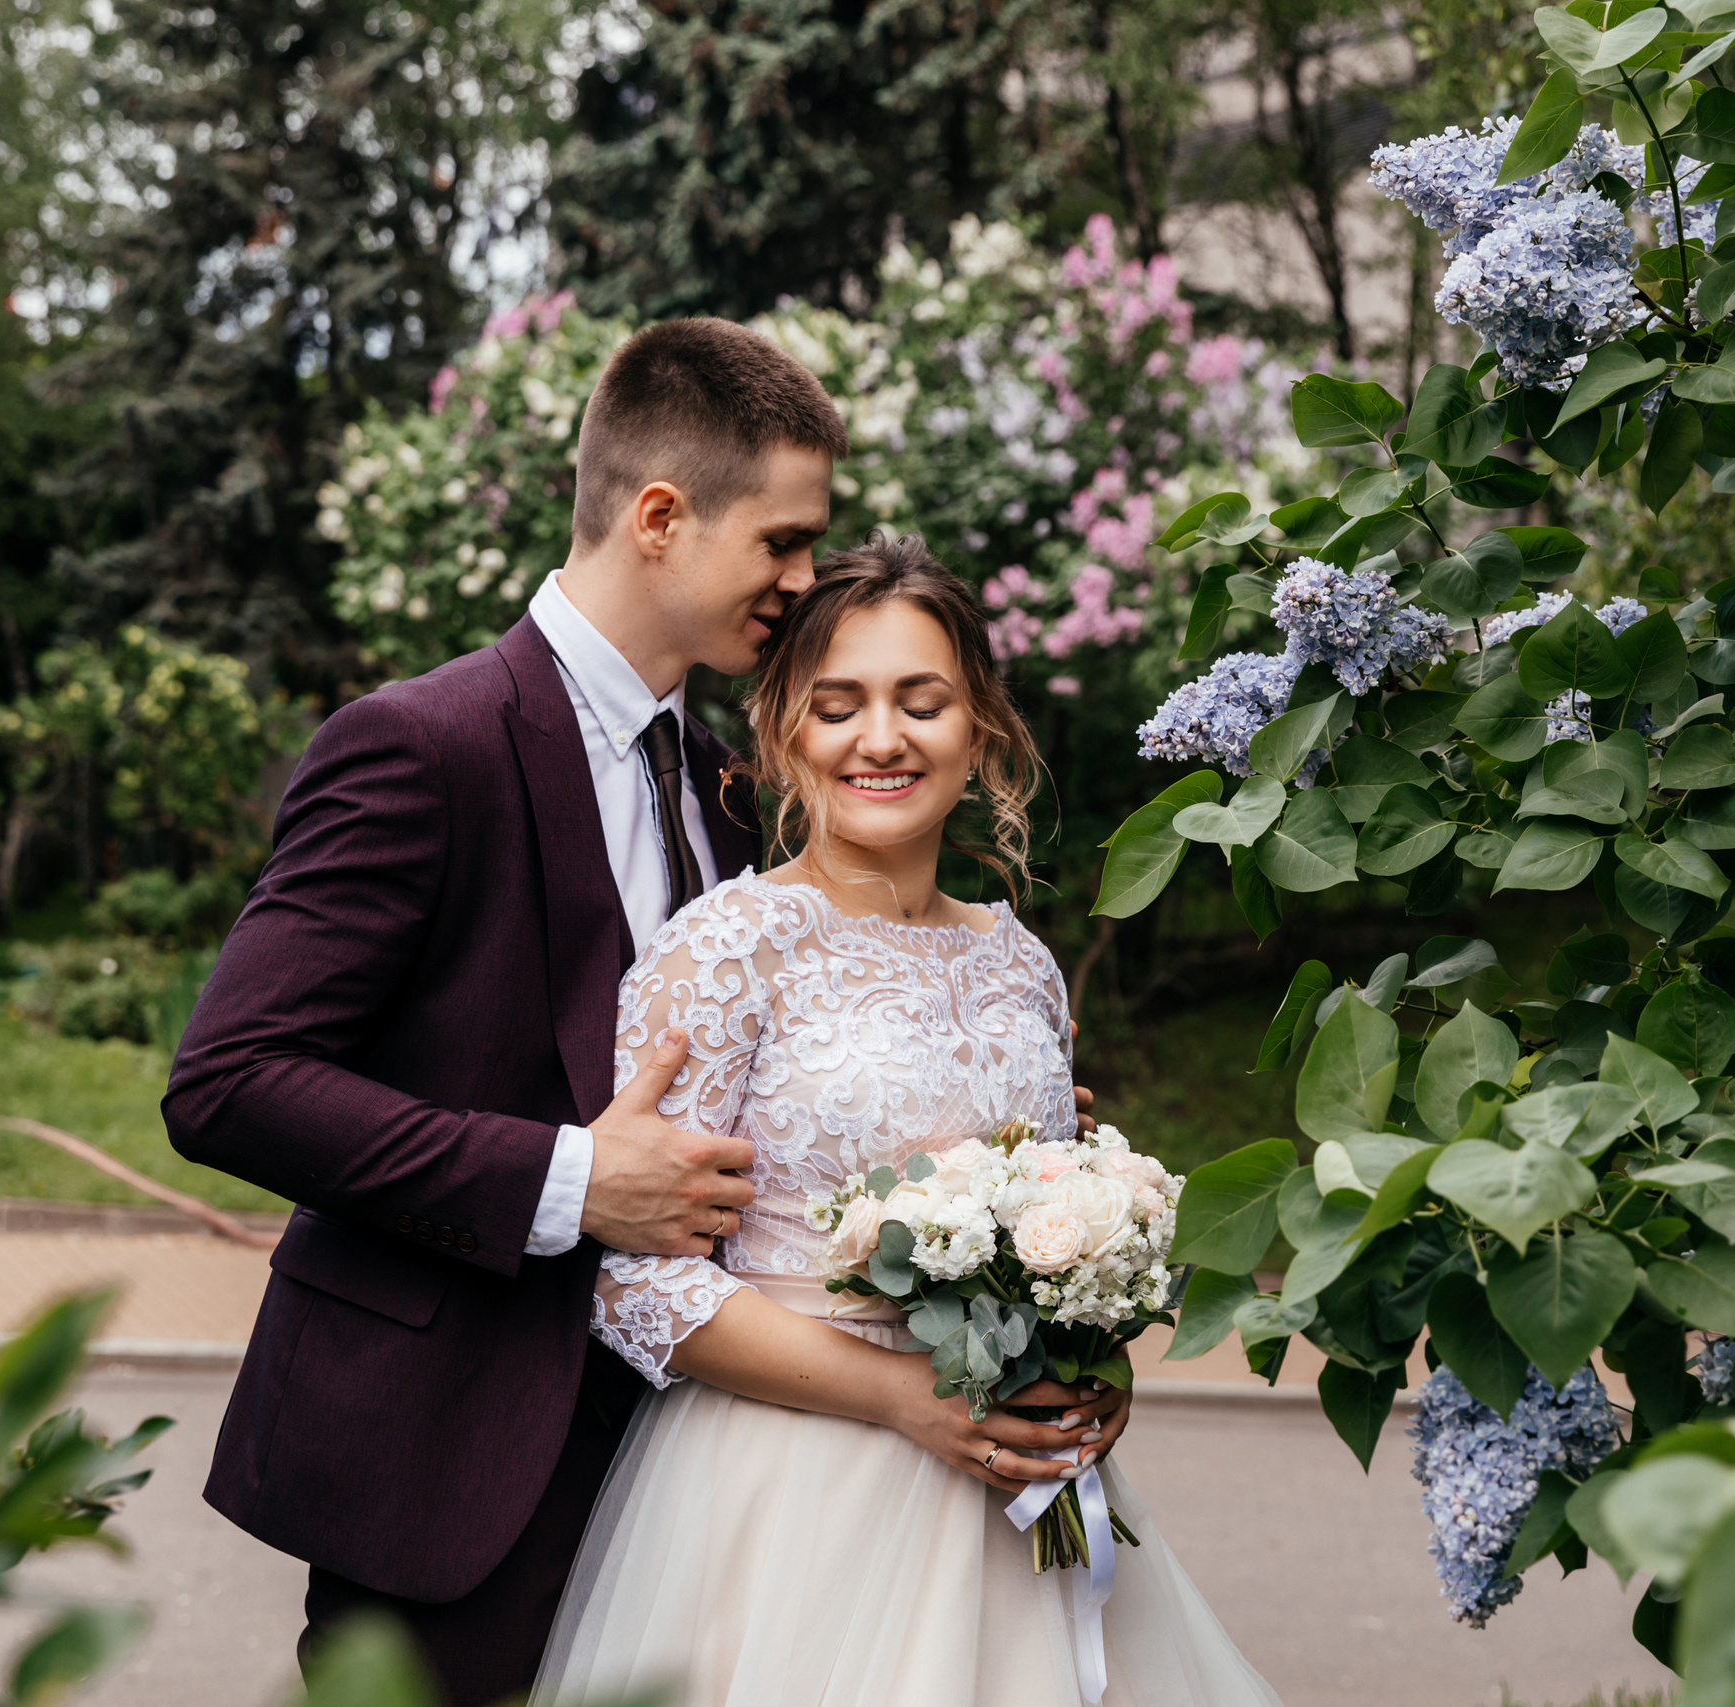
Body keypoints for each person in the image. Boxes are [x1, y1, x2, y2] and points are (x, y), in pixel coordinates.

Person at [161, 319, 1124, 1705]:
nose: (802, 582)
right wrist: (569, 1176)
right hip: (455, 1461)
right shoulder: (422, 746)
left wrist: (990, 1143)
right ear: (662, 518)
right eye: (785, 543)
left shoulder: (728, 781)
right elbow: (231, 1079)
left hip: (700, 1472)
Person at [532, 536, 1283, 1707]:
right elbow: (634, 1278)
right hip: (795, 1496)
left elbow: (1054, 1218)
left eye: (919, 703)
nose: (879, 739)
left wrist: (1090, 1358)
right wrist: (898, 1397)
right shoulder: (725, 952)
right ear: (784, 734)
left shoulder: (1020, 963)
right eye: (838, 707)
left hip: (1017, 1492)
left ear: (978, 727)